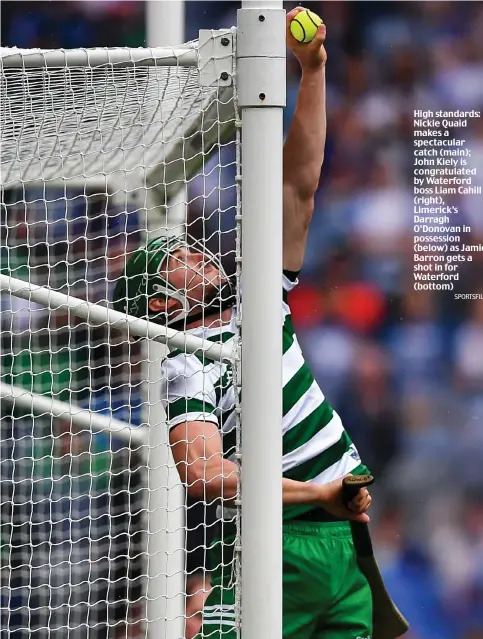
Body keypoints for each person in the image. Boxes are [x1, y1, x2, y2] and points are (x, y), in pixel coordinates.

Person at [113, 8, 374, 639]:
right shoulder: (186, 358)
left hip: (343, 536)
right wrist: (317, 493)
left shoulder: (260, 300)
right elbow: (200, 473)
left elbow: (298, 186)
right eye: (176, 260)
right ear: (160, 307)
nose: (198, 254)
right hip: (283, 541)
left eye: (191, 247)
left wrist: (312, 71)